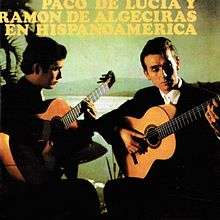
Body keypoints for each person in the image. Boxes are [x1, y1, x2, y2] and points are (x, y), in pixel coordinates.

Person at [95, 37, 220, 219]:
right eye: (155, 69)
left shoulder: (205, 100)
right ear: (146, 73)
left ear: (177, 63)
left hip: (192, 185)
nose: (163, 74)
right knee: (115, 190)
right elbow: (103, 122)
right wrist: (121, 132)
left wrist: (218, 131)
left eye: (167, 65)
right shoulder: (144, 98)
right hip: (154, 180)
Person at [0, 37, 101, 219]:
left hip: (37, 180)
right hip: (21, 189)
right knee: (84, 191)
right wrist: (50, 140)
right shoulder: (11, 96)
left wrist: (86, 123)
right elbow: (18, 132)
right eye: (55, 69)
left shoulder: (35, 99)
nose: (60, 76)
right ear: (38, 68)